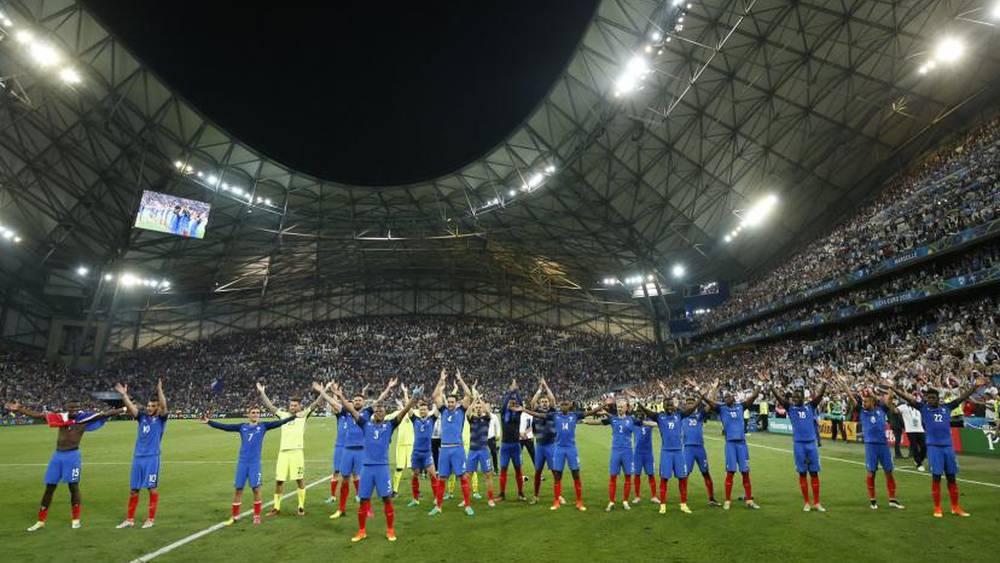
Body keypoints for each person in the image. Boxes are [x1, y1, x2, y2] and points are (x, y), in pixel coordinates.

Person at [5, 400, 123, 531]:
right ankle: (41, 521)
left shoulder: (83, 419)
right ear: (66, 408)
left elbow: (104, 414)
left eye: (76, 408)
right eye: (70, 408)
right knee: (49, 487)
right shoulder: (61, 418)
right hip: (57, 456)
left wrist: (123, 409)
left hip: (72, 457)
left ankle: (76, 519)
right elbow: (39, 416)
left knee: (73, 486)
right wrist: (19, 409)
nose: (73, 410)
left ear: (79, 408)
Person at [333, 383, 420, 542]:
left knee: (386, 499)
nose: (379, 411)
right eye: (377, 410)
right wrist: (340, 396)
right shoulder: (365, 424)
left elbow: (404, 411)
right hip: (366, 469)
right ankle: (361, 531)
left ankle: (390, 529)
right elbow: (352, 410)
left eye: (382, 410)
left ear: (385, 413)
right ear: (374, 413)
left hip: (382, 469)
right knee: (364, 500)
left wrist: (413, 399)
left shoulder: (390, 425)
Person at [894, 374, 988, 517]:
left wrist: (975, 386)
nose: (930, 400)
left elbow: (961, 398)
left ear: (938, 399)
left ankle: (955, 507)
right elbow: (909, 399)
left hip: (948, 448)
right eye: (928, 398)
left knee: (951, 477)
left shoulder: (947, 408)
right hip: (934, 448)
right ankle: (937, 507)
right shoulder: (923, 408)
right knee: (936, 477)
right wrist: (894, 389)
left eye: (932, 398)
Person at [201, 406, 296, 525]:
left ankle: (256, 516)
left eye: (258, 413)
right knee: (238, 489)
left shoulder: (263, 426)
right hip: (242, 462)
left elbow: (280, 422)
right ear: (248, 414)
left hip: (254, 463)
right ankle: (234, 517)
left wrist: (294, 417)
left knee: (256, 489)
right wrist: (209, 422)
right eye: (253, 412)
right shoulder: (242, 427)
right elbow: (225, 427)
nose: (256, 414)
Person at [513, 395, 605, 511]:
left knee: (576, 474)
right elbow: (539, 415)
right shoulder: (555, 415)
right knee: (557, 475)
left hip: (571, 449)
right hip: (559, 449)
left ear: (570, 406)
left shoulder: (574, 415)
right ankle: (556, 501)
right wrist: (524, 410)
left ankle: (579, 502)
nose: (563, 406)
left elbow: (590, 412)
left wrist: (604, 405)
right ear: (559, 406)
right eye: (562, 404)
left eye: (566, 404)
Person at [327, 379, 396, 520]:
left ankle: (367, 509)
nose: (357, 402)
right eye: (355, 400)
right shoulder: (346, 412)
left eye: (360, 400)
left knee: (362, 481)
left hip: (361, 452)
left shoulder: (366, 413)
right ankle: (341, 509)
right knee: (344, 479)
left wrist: (388, 387)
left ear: (363, 402)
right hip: (347, 450)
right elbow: (337, 404)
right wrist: (337, 395)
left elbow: (380, 400)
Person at [257, 381, 327, 517]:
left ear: (299, 406)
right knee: (279, 480)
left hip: (297, 452)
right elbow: (270, 406)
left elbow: (316, 404)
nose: (293, 407)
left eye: (295, 405)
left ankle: (301, 506)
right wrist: (262, 392)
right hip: (283, 452)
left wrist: (322, 392)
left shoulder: (304, 415)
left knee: (299, 479)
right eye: (291, 405)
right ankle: (276, 508)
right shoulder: (283, 415)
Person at [836, 377, 904, 510]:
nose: (864, 403)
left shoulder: (881, 409)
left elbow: (889, 399)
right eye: (864, 400)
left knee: (889, 471)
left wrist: (891, 386)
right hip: (871, 446)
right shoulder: (862, 411)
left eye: (866, 401)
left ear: (873, 401)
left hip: (883, 445)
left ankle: (892, 499)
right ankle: (873, 500)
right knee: (871, 472)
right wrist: (845, 385)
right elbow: (851, 398)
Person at [700, 375, 763, 510]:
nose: (727, 398)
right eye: (725, 398)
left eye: (729, 396)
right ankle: (727, 500)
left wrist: (759, 384)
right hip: (730, 445)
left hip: (742, 444)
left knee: (745, 472)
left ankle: (749, 500)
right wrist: (707, 391)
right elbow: (709, 402)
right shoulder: (721, 408)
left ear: (734, 397)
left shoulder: (741, 406)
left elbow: (752, 397)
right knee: (730, 472)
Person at [637, 381, 699, 515]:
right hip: (666, 452)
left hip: (678, 452)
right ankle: (663, 505)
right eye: (667, 405)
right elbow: (648, 411)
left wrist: (700, 398)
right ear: (664, 406)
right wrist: (639, 403)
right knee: (664, 479)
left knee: (682, 478)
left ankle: (683, 504)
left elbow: (691, 409)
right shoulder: (659, 417)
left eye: (671, 405)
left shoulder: (679, 415)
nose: (670, 407)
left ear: (674, 406)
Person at [114, 379, 168, 529]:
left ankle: (150, 519)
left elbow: (164, 406)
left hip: (152, 458)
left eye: (152, 406)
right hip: (138, 458)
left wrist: (159, 390)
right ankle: (129, 519)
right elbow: (131, 408)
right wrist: (124, 395)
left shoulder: (161, 419)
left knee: (151, 488)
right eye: (149, 405)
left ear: (157, 407)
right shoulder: (142, 417)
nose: (149, 408)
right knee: (133, 490)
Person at [771, 375, 826, 512]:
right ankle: (807, 502)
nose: (794, 400)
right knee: (802, 473)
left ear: (803, 398)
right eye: (793, 398)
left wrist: (824, 384)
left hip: (811, 445)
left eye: (797, 397)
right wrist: (772, 388)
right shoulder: (790, 408)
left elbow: (819, 397)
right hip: (799, 445)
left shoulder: (810, 407)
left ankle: (817, 502)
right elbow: (780, 399)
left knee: (814, 473)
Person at [429, 368, 474, 516]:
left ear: (457, 402)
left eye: (452, 401)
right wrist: (441, 380)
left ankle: (467, 505)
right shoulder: (443, 411)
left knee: (462, 476)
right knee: (442, 478)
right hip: (444, 449)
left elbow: (469, 395)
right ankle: (439, 506)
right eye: (448, 401)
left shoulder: (461, 410)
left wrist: (460, 380)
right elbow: (435, 395)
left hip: (457, 448)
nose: (450, 403)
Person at [589, 398, 636, 512]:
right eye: (618, 407)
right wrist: (584, 421)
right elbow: (599, 422)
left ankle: (625, 501)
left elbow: (645, 422)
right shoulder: (613, 419)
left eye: (622, 406)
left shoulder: (632, 419)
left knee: (628, 476)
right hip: (615, 451)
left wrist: (657, 424)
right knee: (613, 477)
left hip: (627, 451)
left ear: (626, 407)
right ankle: (611, 501)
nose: (620, 408)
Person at [681, 378, 721, 506]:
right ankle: (683, 500)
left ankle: (711, 498)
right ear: (685, 405)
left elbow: (711, 404)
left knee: (706, 473)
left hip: (700, 449)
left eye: (692, 403)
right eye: (688, 403)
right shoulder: (681, 416)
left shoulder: (699, 416)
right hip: (688, 449)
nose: (690, 405)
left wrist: (714, 388)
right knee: (685, 474)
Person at [405, 388, 441, 507]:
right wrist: (406, 393)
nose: (422, 411)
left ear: (428, 410)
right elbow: (408, 408)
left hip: (427, 453)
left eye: (424, 409)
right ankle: (415, 499)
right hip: (416, 453)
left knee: (432, 475)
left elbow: (437, 407)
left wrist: (440, 390)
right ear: (419, 410)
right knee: (414, 475)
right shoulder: (415, 420)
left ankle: (436, 498)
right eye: (421, 409)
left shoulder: (432, 419)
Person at [528, 379, 558, 505]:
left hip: (551, 445)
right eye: (543, 402)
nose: (545, 403)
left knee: (555, 471)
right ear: (539, 404)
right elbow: (532, 402)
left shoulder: (552, 412)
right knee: (538, 472)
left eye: (546, 402)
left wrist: (547, 387)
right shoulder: (536, 412)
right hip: (539, 446)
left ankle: (558, 496)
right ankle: (535, 496)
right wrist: (540, 390)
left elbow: (553, 400)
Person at [464, 399, 497, 507]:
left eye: (480, 407)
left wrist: (480, 401)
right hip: (472, 451)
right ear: (474, 409)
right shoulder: (472, 419)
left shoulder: (486, 418)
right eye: (476, 408)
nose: (478, 409)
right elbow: (467, 412)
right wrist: (474, 402)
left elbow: (488, 411)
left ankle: (491, 499)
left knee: (488, 475)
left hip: (483, 450)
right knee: (467, 475)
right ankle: (466, 499)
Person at [498, 380, 526, 501]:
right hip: (505, 446)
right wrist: (511, 392)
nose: (511, 403)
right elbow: (505, 403)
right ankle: (502, 494)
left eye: (513, 403)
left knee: (518, 470)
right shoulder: (504, 413)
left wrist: (516, 391)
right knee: (503, 469)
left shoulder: (518, 414)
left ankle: (520, 493)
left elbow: (519, 402)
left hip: (515, 445)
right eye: (510, 402)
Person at [897, 397, 927, 471]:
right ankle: (919, 464)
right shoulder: (903, 407)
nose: (913, 400)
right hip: (910, 430)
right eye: (911, 399)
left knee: (924, 447)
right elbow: (895, 411)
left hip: (920, 429)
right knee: (914, 446)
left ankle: (918, 459)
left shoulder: (918, 408)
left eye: (914, 399)